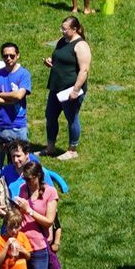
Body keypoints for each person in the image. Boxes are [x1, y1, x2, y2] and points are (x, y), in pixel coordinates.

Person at [44, 15, 90, 160]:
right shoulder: (61, 41)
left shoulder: (81, 45)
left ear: (74, 29)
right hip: (56, 86)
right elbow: (59, 57)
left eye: (65, 29)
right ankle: (50, 147)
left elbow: (84, 70)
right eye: (61, 28)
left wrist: (76, 90)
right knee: (50, 116)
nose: (62, 31)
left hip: (70, 89)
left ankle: (72, 149)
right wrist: (50, 61)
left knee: (71, 117)